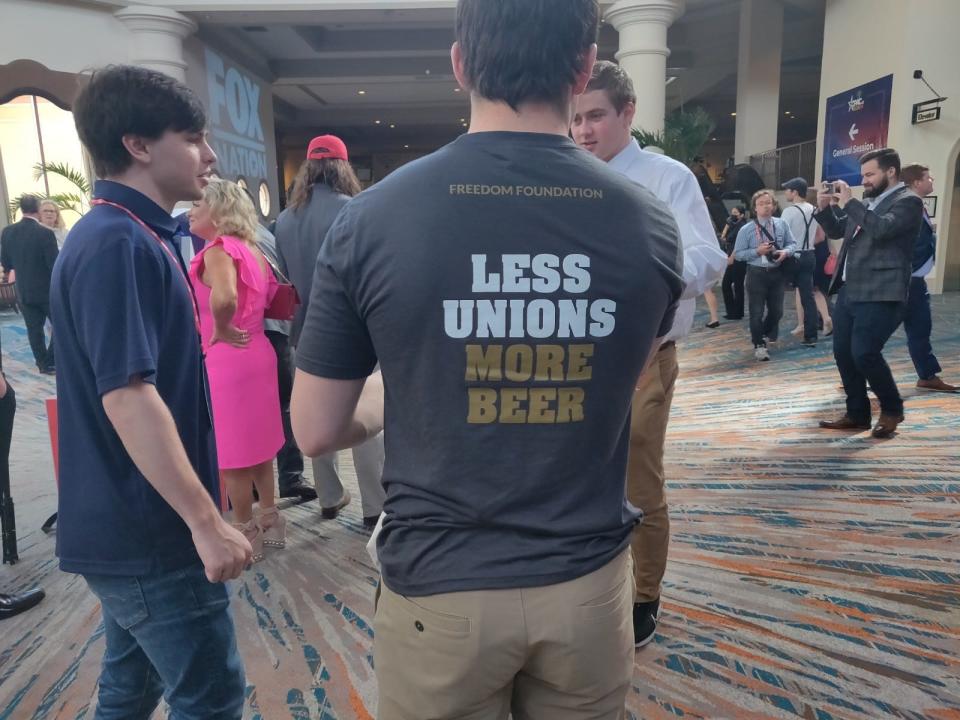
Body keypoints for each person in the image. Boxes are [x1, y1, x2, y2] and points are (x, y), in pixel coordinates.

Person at [292, 0, 684, 715]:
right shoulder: (649, 223)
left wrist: (398, 391)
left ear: (460, 65)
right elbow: (616, 387)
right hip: (588, 586)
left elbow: (316, 430)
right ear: (585, 66)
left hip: (440, 587)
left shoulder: (372, 219)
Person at [50, 65, 250, 719]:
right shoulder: (115, 241)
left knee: (130, 690)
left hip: (132, 524)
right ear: (138, 145)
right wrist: (205, 522)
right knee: (210, 697)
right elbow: (127, 396)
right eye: (192, 137)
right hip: (150, 530)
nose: (210, 155)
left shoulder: (134, 234)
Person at [571, 59, 725, 646]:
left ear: (627, 113)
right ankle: (590, 583)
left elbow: (709, 259)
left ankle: (645, 594)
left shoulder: (666, 178)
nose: (584, 130)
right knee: (578, 475)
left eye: (596, 116)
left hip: (643, 355)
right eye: (575, 118)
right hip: (575, 356)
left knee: (638, 481)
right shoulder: (563, 176)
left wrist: (639, 277)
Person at [275, 134, 385, 526]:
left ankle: (329, 496)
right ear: (343, 167)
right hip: (359, 330)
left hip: (305, 331)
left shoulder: (284, 221)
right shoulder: (357, 210)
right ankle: (374, 505)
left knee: (317, 413)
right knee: (365, 415)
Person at [189, 179, 286, 560]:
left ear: (218, 210)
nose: (191, 210)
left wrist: (222, 327)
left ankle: (245, 533)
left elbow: (226, 296)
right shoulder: (252, 248)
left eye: (198, 203)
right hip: (259, 350)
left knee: (234, 455)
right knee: (261, 447)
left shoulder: (217, 251)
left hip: (230, 357)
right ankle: (271, 521)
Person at [815, 147, 923, 438]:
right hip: (851, 289)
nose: (865, 180)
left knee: (864, 353)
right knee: (843, 353)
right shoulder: (867, 202)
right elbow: (839, 232)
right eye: (863, 175)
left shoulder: (909, 201)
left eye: (870, 174)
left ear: (891, 172)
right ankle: (857, 414)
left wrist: (850, 204)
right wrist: (824, 209)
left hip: (882, 291)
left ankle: (892, 408)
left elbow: (883, 230)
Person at [898, 163, 956, 393]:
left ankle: (927, 375)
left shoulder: (917, 205)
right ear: (916, 182)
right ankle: (856, 372)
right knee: (878, 330)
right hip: (903, 279)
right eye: (928, 177)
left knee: (920, 327)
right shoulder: (905, 205)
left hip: (915, 280)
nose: (932, 180)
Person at [733, 189, 798, 361]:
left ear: (774, 205)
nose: (765, 207)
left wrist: (785, 251)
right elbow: (738, 254)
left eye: (768, 203)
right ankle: (759, 345)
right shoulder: (746, 229)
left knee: (777, 312)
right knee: (756, 312)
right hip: (756, 274)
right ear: (755, 208)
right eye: (761, 204)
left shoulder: (781, 224)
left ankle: (760, 333)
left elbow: (793, 244)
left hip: (777, 272)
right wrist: (757, 251)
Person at [0, 194, 58, 374]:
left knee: (34, 330)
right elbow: (54, 265)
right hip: (48, 291)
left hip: (23, 290)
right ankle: (50, 359)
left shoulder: (7, 232)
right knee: (61, 326)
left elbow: (7, 263)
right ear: (38, 209)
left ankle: (42, 364)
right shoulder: (45, 233)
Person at [781, 177, 827, 346]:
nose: (786, 192)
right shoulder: (814, 209)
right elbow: (819, 235)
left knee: (776, 292)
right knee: (808, 296)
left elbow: (782, 236)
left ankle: (769, 333)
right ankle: (811, 335)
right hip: (809, 255)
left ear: (794, 192)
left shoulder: (789, 212)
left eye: (788, 189)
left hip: (793, 255)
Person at [720, 205, 748, 319]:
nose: (733, 215)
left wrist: (732, 256)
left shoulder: (743, 226)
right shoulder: (732, 225)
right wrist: (727, 224)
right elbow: (723, 237)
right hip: (731, 256)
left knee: (737, 285)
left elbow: (740, 244)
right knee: (727, 284)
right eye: (732, 212)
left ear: (741, 215)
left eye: (735, 213)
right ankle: (732, 311)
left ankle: (737, 312)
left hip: (738, 258)